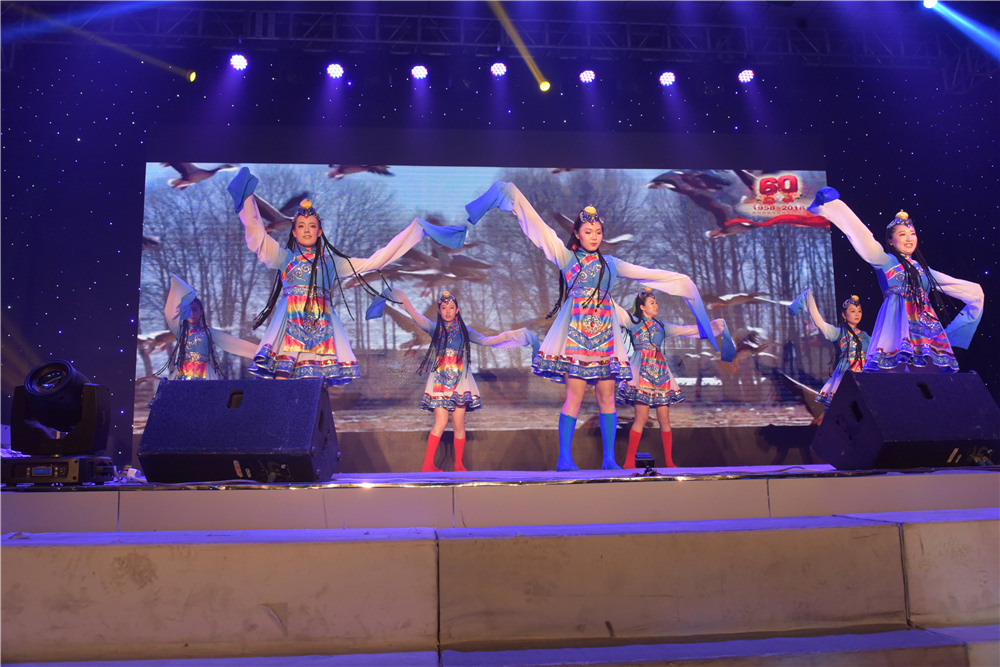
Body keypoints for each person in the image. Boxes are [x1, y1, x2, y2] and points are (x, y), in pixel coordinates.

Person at [465, 181, 718, 471]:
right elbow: (539, 229)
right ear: (577, 233)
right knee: (574, 396)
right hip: (576, 338)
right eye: (588, 232)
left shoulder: (612, 264)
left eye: (598, 232)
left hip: (605, 338)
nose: (594, 236)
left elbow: (650, 274)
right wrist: (512, 195)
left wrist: (683, 283)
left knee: (607, 396)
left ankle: (609, 459)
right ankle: (564, 458)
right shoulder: (566, 257)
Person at [226, 167, 466, 385]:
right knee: (282, 377)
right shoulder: (284, 258)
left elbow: (376, 261)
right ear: (294, 232)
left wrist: (416, 231)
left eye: (312, 226)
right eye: (301, 226)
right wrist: (246, 200)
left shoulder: (332, 263)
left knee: (313, 382)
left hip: (319, 325)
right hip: (289, 323)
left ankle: (310, 417)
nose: (307, 230)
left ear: (319, 232)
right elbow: (258, 238)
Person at [808, 187, 984, 372]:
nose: (909, 238)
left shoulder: (923, 270)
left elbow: (968, 290)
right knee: (895, 373)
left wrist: (955, 332)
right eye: (902, 234)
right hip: (896, 325)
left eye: (912, 234)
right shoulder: (885, 261)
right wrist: (831, 205)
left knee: (927, 373)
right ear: (891, 241)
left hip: (925, 328)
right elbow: (860, 235)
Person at [389, 287, 540, 472]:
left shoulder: (464, 330)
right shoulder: (434, 327)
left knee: (459, 423)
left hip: (460, 380)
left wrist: (512, 336)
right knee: (440, 422)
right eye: (444, 308)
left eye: (451, 308)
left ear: (457, 310)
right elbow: (415, 315)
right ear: (439, 311)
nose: (448, 311)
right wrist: (400, 298)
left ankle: (459, 464)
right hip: (440, 380)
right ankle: (427, 464)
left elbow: (486, 341)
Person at [613, 288, 729, 468]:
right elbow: (616, 309)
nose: (656, 305)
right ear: (642, 307)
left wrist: (713, 327)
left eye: (656, 302)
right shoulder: (633, 322)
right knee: (641, 418)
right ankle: (629, 462)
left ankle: (669, 461)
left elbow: (688, 330)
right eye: (652, 303)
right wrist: (601, 289)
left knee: (664, 419)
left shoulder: (662, 326)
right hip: (640, 371)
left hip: (660, 373)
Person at [162, 274, 257, 380]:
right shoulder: (180, 331)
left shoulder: (208, 333)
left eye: (195, 310)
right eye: (188, 310)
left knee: (206, 391)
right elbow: (170, 314)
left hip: (204, 373)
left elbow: (233, 343)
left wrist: (260, 352)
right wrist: (179, 287)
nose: (192, 313)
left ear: (201, 312)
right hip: (183, 373)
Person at [789, 288, 870, 411]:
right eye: (853, 311)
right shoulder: (839, 333)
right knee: (847, 407)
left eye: (859, 311)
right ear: (844, 315)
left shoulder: (865, 336)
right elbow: (820, 323)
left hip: (863, 374)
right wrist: (809, 300)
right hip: (846, 375)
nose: (857, 314)